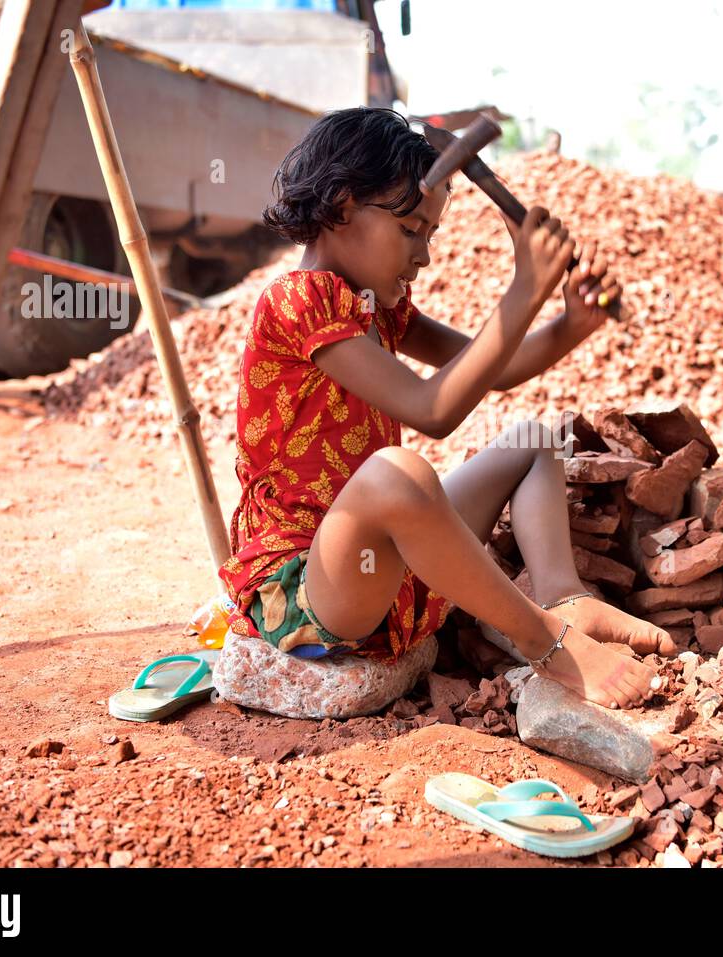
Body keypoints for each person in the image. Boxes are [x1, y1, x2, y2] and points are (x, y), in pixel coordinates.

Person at [217, 107, 677, 715]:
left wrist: (570, 322)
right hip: (310, 587)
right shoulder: (297, 301)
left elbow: (492, 369)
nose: (424, 256)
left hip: (384, 566)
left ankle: (563, 597)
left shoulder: (375, 306)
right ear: (342, 204)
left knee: (531, 442)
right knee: (398, 473)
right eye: (411, 230)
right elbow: (432, 409)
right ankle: (546, 642)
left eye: (430, 234)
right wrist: (522, 291)